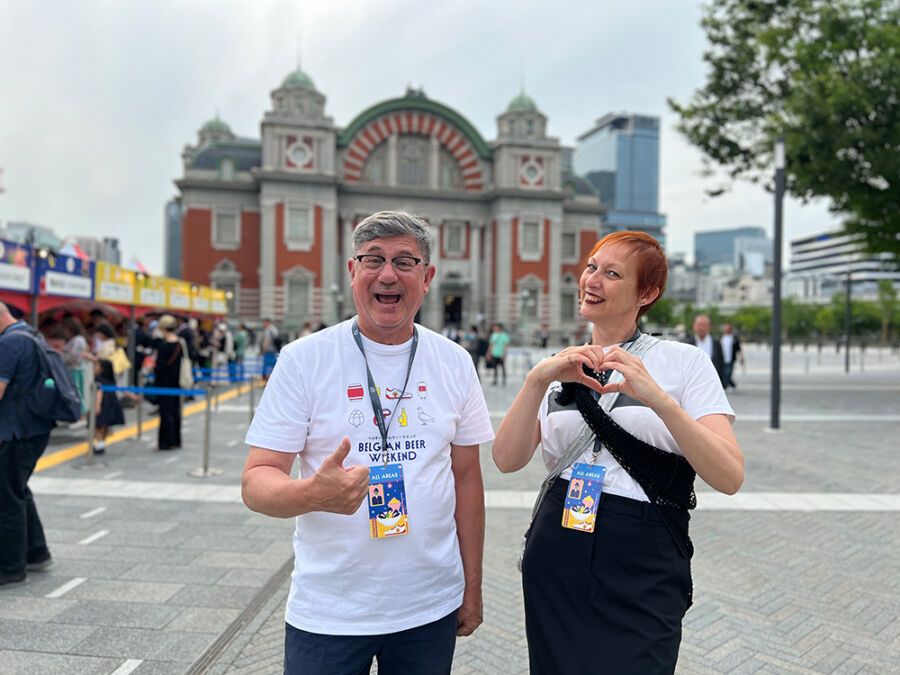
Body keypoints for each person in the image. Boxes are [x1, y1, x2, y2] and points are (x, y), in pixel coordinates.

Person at [241, 210, 494, 675]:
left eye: (405, 261)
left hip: (429, 605)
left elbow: (467, 479)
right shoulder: (304, 360)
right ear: (353, 271)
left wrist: (471, 587)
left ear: (427, 276)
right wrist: (310, 494)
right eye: (372, 259)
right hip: (330, 612)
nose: (388, 274)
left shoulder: (455, 362)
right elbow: (256, 481)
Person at [492, 231, 743, 674]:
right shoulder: (560, 367)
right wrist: (535, 381)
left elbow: (728, 475)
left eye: (612, 274)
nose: (593, 280)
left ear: (647, 293)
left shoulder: (682, 362)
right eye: (592, 267)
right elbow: (507, 460)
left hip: (643, 546)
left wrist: (659, 400)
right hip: (559, 540)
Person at [0, 302, 55, 587]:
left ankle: (10, 568)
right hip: (34, 429)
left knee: (6, 497)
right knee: (17, 488)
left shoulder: (8, 343)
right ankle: (36, 551)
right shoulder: (30, 334)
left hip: (13, 433)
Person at [153, 315, 184, 451]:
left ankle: (166, 441)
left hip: (164, 384)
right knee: (175, 411)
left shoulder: (163, 346)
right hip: (177, 383)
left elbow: (159, 367)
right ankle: (176, 439)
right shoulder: (180, 344)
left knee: (165, 413)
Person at [91, 358, 124, 455]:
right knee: (104, 426)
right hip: (112, 404)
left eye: (97, 366)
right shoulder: (111, 380)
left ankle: (100, 443)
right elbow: (120, 389)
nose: (94, 368)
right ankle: (101, 443)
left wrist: (97, 405)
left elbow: (99, 392)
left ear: (102, 369)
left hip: (103, 404)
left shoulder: (98, 380)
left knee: (96, 425)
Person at [684, 314, 725, 385]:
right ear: (694, 326)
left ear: (709, 327)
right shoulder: (687, 344)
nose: (701, 328)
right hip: (692, 383)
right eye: (699, 325)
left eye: (704, 325)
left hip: (712, 382)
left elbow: (721, 363)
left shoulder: (716, 344)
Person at [720, 323, 743, 390]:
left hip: (731, 359)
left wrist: (741, 358)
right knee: (724, 373)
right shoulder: (721, 338)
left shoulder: (734, 339)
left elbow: (739, 349)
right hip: (722, 359)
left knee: (728, 373)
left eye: (728, 328)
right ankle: (731, 385)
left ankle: (726, 386)